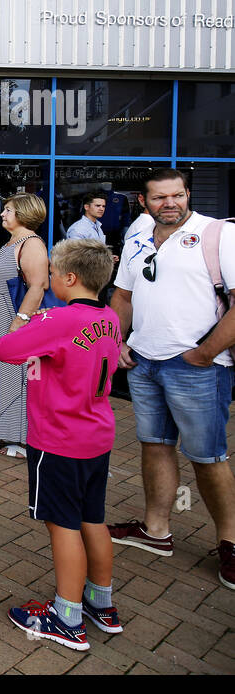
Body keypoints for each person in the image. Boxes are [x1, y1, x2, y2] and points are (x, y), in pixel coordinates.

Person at [108, 169, 235, 590]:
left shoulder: (218, 234)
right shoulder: (139, 235)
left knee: (208, 457)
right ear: (144, 201)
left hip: (198, 368)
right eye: (160, 197)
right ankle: (156, 530)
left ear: (187, 195)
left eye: (177, 195)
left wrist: (204, 353)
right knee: (155, 445)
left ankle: (230, 544)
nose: (171, 204)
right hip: (144, 362)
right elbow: (123, 296)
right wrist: (116, 341)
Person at [0, 239, 124, 649]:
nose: (48, 278)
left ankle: (67, 615)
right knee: (93, 518)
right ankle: (100, 602)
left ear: (70, 278)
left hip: (59, 439)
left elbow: (5, 349)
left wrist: (27, 320)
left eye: (52, 272)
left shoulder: (59, 319)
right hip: (96, 434)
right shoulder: (109, 317)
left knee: (62, 524)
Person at [0, 193, 51, 453]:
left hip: (11, 316)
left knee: (12, 374)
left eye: (8, 210)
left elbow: (38, 286)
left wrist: (20, 321)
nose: (3, 214)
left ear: (24, 214)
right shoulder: (11, 242)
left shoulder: (31, 244)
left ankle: (16, 436)